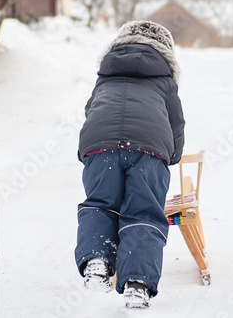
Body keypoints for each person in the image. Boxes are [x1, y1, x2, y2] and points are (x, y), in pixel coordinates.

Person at [74, 20, 185, 308]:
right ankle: (138, 284)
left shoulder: (106, 74)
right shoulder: (165, 79)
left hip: (100, 145)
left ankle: (97, 262)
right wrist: (172, 157)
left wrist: (87, 152)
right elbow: (176, 125)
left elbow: (92, 112)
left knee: (99, 203)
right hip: (150, 149)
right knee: (144, 213)